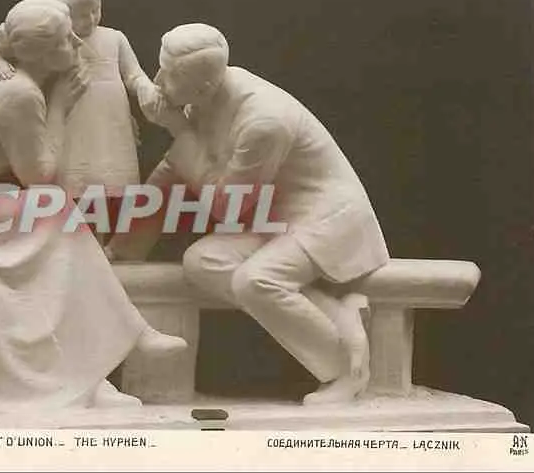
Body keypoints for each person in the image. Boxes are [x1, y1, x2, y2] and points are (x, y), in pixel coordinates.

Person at [0, 0, 185, 414]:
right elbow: (41, 179)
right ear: (40, 53)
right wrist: (59, 108)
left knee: (50, 251)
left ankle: (89, 378)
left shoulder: (7, 79)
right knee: (53, 210)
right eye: (65, 39)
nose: (78, 42)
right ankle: (130, 335)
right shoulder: (20, 93)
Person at [108, 23, 389, 405]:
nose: (157, 81)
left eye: (168, 75)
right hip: (278, 218)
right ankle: (338, 315)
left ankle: (345, 366)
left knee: (256, 281)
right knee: (203, 261)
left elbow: (228, 206)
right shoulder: (208, 96)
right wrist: (125, 247)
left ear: (205, 85)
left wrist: (181, 132)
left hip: (327, 218)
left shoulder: (262, 121)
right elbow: (174, 171)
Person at [0, 0, 160, 243]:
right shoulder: (56, 43)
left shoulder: (115, 38)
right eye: (81, 14)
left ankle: (100, 244)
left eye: (95, 9)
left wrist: (145, 88)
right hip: (73, 119)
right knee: (75, 184)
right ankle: (74, 245)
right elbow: (10, 48)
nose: (90, 19)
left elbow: (133, 74)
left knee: (107, 184)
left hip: (110, 122)